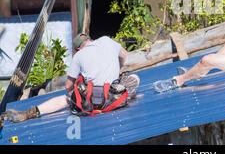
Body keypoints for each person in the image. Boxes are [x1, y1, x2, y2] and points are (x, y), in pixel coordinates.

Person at [6, 34, 140, 123]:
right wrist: (118, 73)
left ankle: (29, 113)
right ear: (90, 40)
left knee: (66, 99)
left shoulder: (78, 56)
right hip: (115, 100)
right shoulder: (106, 40)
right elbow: (124, 55)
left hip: (90, 102)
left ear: (78, 48)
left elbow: (68, 86)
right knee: (134, 77)